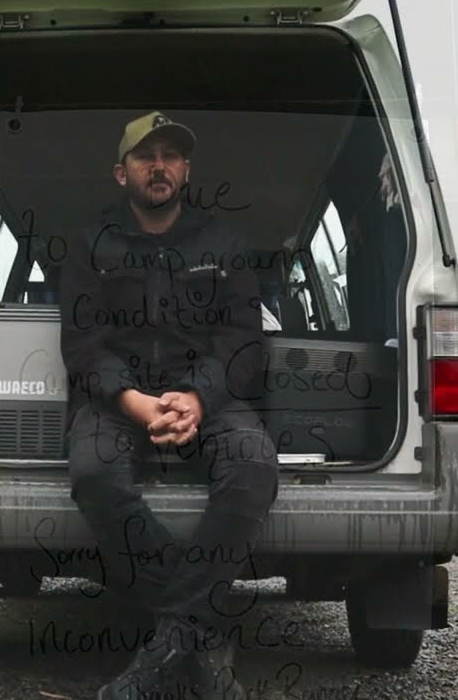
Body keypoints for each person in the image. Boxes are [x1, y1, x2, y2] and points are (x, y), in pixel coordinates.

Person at [58, 111, 279, 700]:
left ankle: (165, 646)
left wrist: (198, 397)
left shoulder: (224, 244)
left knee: (254, 468)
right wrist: (135, 401)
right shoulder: (90, 245)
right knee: (95, 475)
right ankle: (197, 635)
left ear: (186, 170)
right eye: (145, 156)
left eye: (171, 156)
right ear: (120, 172)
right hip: (118, 401)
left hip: (208, 398)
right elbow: (83, 345)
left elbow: (243, 342)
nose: (159, 166)